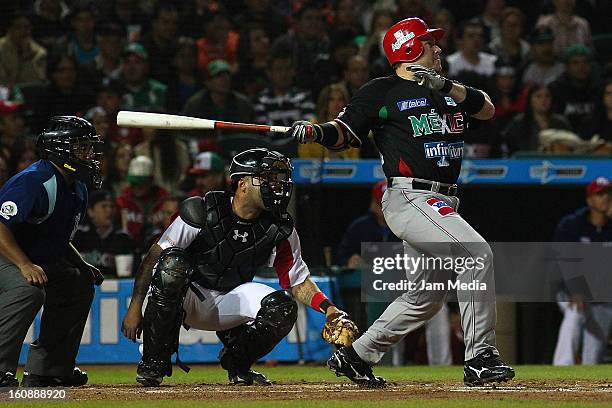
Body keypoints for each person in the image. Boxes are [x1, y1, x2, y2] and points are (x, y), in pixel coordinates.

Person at [288, 17, 515, 387]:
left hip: (443, 200)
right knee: (477, 254)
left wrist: (446, 85)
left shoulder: (446, 90)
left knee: (424, 297)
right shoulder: (382, 91)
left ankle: (357, 355)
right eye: (429, 43)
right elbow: (345, 132)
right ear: (409, 49)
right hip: (411, 196)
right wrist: (316, 131)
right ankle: (480, 357)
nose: (438, 47)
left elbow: (487, 109)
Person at [121, 148, 354, 386]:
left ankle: (237, 362)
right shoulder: (202, 210)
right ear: (242, 183)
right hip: (186, 295)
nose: (276, 186)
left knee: (283, 307)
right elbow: (154, 258)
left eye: (279, 179)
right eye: (267, 178)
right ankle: (153, 362)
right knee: (172, 264)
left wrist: (329, 309)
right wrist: (135, 307)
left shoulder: (280, 227)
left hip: (230, 299)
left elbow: (297, 280)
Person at [0, 116, 103, 388]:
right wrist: (24, 265)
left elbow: (54, 237)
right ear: (60, 150)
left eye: (89, 147)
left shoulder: (76, 186)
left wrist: (81, 264)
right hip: (6, 253)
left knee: (77, 284)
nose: (90, 154)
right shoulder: (34, 180)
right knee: (27, 289)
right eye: (82, 147)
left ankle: (49, 369)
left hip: (29, 256)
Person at [552, 177, 612, 365]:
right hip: (571, 292)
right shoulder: (572, 225)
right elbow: (564, 260)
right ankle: (561, 366)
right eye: (599, 194)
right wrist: (577, 289)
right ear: (589, 200)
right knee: (575, 314)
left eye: (608, 194)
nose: (605, 198)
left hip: (603, 298)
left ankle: (583, 386)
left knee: (593, 356)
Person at [73, 190, 135, 278]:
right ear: (91, 211)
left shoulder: (123, 238)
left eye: (112, 206)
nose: (109, 210)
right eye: (104, 206)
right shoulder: (78, 236)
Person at [502, 85, 572, 155]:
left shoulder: (561, 123)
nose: (543, 100)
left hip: (556, 163)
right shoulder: (518, 123)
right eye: (538, 96)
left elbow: (572, 146)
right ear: (530, 100)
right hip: (525, 163)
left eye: (547, 96)